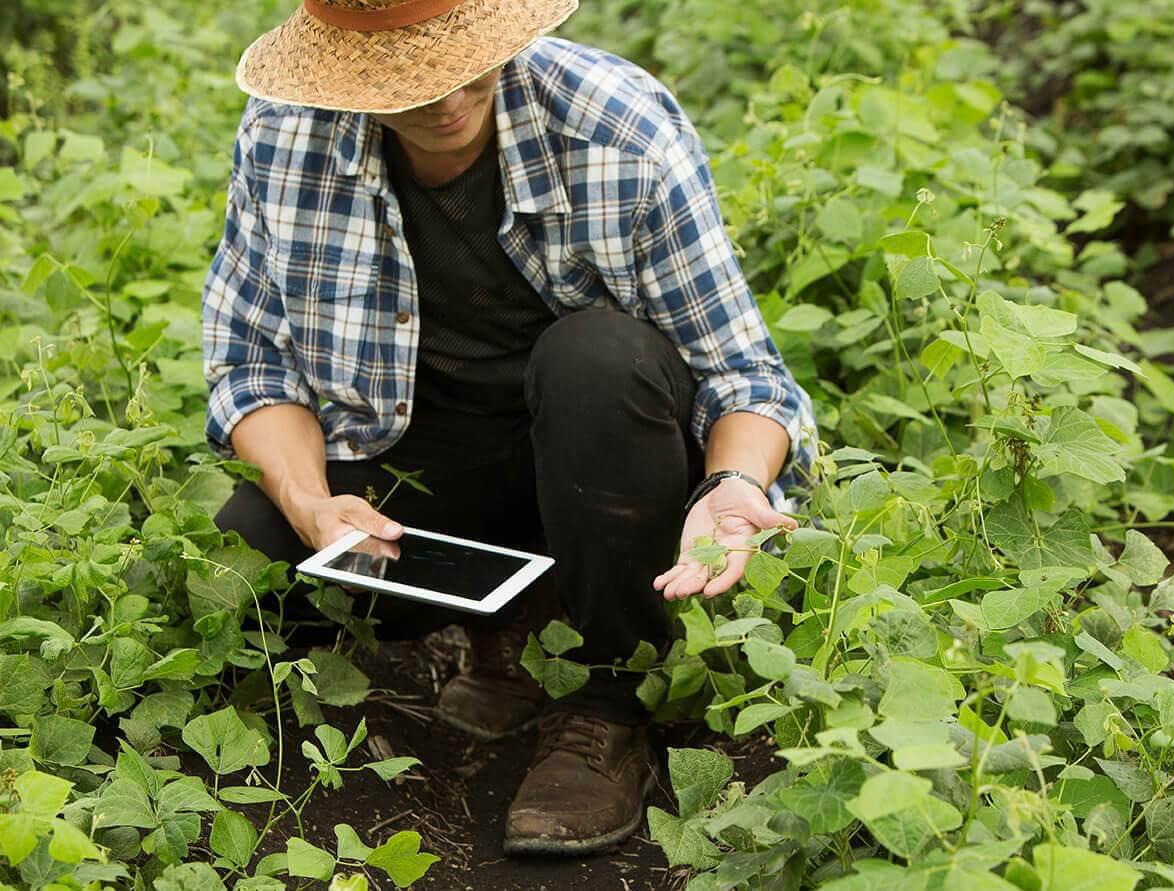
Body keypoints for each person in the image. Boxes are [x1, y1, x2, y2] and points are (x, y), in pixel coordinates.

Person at [202, 0, 816, 856]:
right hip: (428, 462)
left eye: (464, 63)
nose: (446, 99)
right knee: (254, 543)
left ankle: (609, 697)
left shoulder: (618, 129)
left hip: (604, 469)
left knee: (597, 357)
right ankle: (501, 629)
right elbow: (251, 362)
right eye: (404, 80)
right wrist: (310, 503)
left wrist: (734, 482)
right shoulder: (286, 135)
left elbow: (744, 375)